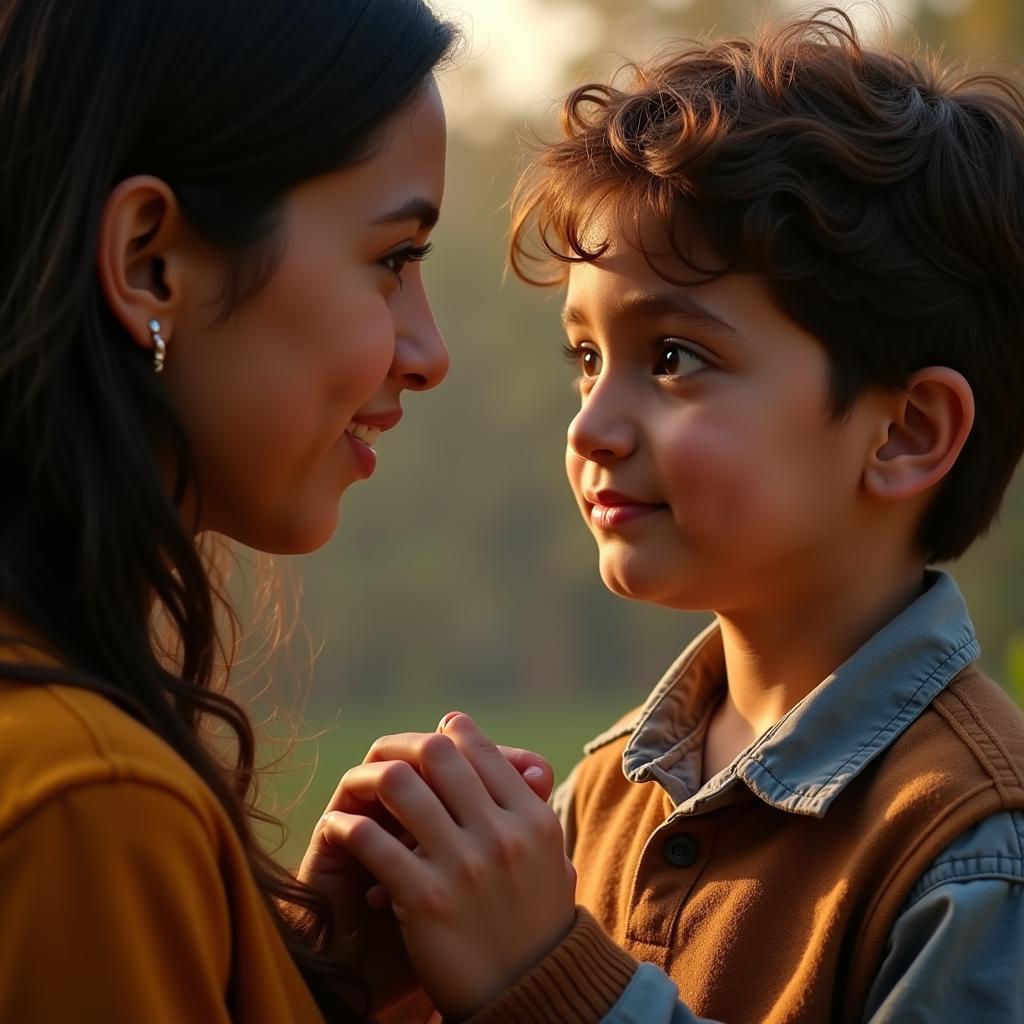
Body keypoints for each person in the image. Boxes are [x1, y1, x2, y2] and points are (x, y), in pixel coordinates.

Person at [321, 8, 1024, 1022]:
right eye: (586, 359)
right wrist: (355, 983)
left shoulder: (973, 847)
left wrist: (551, 977)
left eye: (672, 359)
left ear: (906, 431)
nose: (594, 425)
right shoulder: (602, 794)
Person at [0, 1, 577, 1020]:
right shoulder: (87, 806)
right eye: (393, 260)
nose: (428, 350)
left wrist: (311, 976)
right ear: (150, 266)